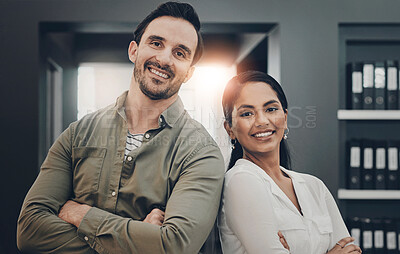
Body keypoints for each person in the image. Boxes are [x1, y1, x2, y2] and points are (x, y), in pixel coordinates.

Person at [17, 2, 225, 253]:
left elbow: (173, 247)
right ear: (134, 50)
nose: (164, 58)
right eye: (156, 43)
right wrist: (139, 233)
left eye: (180, 53)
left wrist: (82, 214)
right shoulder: (78, 134)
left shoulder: (201, 152)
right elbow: (29, 231)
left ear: (189, 73)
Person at [218, 71, 362, 254]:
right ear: (229, 129)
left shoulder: (314, 186)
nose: (262, 121)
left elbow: (350, 249)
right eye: (247, 113)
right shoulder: (240, 181)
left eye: (271, 109)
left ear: (285, 118)